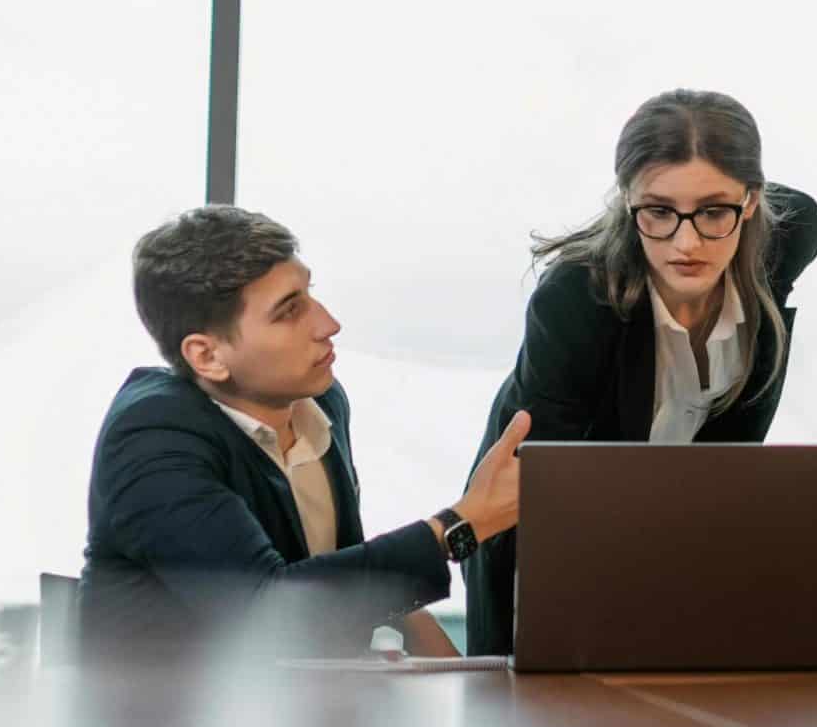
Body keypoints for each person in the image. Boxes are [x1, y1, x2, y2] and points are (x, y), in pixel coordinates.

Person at [81, 205, 527, 662]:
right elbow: (266, 612)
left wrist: (448, 660)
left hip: (298, 712)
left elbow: (339, 566)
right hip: (162, 724)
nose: (328, 324)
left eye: (309, 294)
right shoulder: (150, 438)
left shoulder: (320, 402)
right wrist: (460, 525)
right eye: (289, 311)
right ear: (207, 356)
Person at [465, 89, 817, 654]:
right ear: (626, 200)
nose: (687, 242)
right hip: (546, 529)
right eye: (658, 211)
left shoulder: (788, 237)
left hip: (682, 535)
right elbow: (554, 497)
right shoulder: (575, 301)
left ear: (751, 201)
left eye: (713, 211)